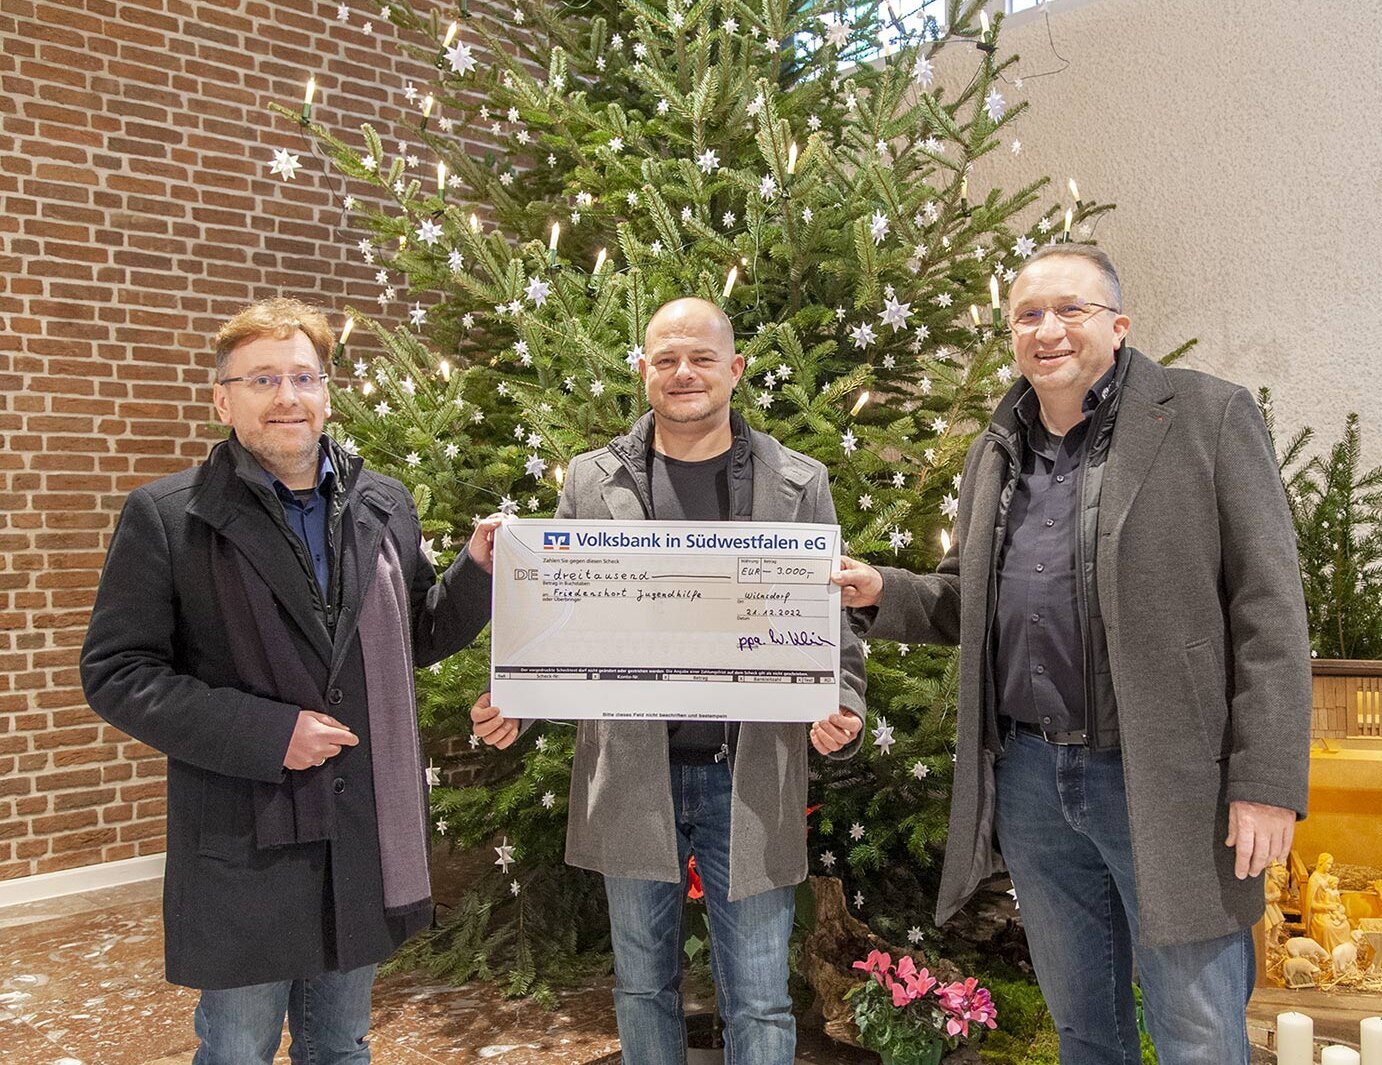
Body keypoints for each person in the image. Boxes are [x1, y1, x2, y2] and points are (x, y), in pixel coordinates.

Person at [832, 245, 1312, 1064]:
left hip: (1166, 779)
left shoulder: (1208, 417)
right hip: (1031, 783)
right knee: (1085, 1029)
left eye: (1070, 310)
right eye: (1028, 315)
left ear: (1118, 325)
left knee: (1197, 1033)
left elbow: (1270, 611)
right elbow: (971, 600)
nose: (1047, 329)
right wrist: (883, 590)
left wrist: (1265, 783)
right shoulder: (995, 450)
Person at [79, 297, 500, 1065]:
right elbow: (118, 672)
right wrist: (271, 733)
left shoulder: (384, 503)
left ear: (327, 394)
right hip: (247, 832)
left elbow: (417, 635)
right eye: (262, 378)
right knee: (238, 1048)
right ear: (222, 399)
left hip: (358, 832)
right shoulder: (169, 517)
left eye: (303, 377)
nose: (287, 396)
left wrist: (475, 570)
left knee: (340, 1044)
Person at [469, 297, 866, 1065]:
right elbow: (561, 616)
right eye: (666, 358)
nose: (684, 372)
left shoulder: (798, 481)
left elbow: (836, 620)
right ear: (642, 370)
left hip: (749, 774)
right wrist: (518, 699)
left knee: (761, 998)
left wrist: (842, 703)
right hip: (631, 771)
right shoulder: (591, 480)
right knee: (642, 986)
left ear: (735, 369)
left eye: (702, 357)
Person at [1306, 852, 1356, 953]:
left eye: (1331, 864)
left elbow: (1336, 899)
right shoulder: (1314, 879)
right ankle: (1327, 953)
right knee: (1327, 927)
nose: (1330, 866)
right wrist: (1327, 908)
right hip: (1320, 913)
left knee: (1346, 925)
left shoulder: (1331, 879)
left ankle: (1343, 952)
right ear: (1321, 863)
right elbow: (1312, 905)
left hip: (1333, 911)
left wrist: (1339, 907)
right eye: (1328, 863)